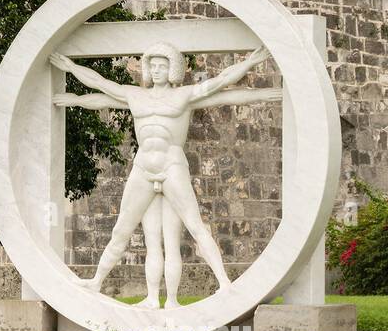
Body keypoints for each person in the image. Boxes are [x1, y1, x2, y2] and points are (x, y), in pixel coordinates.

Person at [50, 42, 278, 307]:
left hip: (172, 166)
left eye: (162, 65)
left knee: (195, 226)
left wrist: (251, 64)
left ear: (172, 69)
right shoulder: (134, 95)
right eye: (153, 65)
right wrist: (71, 74)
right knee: (122, 229)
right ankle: (98, 281)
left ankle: (224, 282)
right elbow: (100, 86)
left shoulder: (185, 95)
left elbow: (223, 85)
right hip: (143, 166)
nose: (157, 70)